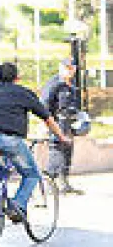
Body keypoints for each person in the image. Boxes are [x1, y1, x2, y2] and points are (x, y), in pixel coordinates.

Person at [0, 62, 69, 221]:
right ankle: (17, 205)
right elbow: (47, 118)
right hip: (10, 140)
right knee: (32, 174)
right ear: (17, 77)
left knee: (0, 166)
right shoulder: (23, 93)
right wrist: (61, 137)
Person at [41, 58, 82, 195]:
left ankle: (64, 184)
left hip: (69, 125)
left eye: (72, 68)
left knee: (67, 154)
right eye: (67, 67)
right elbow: (44, 104)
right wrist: (47, 123)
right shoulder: (54, 83)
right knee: (56, 153)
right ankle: (48, 186)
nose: (70, 71)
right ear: (61, 67)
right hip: (56, 124)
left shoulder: (71, 85)